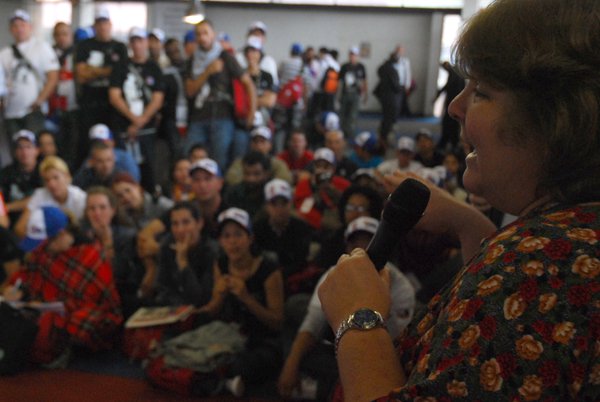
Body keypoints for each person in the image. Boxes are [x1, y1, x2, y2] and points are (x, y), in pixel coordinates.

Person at [318, 0, 600, 400]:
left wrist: (357, 319)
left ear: (557, 119)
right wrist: (469, 225)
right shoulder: (568, 241)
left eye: (482, 91)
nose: (455, 107)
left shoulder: (537, 266)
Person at [278, 216, 415, 401]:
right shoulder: (336, 274)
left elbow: (398, 345)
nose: (363, 252)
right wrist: (290, 365)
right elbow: (313, 323)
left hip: (383, 357)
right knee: (294, 342)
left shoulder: (401, 286)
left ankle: (316, 390)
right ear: (346, 248)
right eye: (355, 246)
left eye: (370, 244)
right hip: (341, 349)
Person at [3, 206, 122, 366]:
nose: (40, 247)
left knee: (79, 322)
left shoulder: (91, 255)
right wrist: (16, 290)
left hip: (83, 310)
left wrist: (49, 306)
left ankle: (63, 348)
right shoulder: (43, 252)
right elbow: (25, 276)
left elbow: (96, 302)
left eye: (44, 242)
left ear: (61, 235)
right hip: (45, 307)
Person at [199, 207, 285, 395]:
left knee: (245, 364)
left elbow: (277, 323)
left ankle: (224, 381)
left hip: (264, 340)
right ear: (220, 241)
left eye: (238, 235)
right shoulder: (221, 264)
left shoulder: (268, 269)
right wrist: (217, 297)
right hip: (233, 335)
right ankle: (226, 382)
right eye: (226, 236)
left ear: (250, 238)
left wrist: (246, 298)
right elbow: (213, 309)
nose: (232, 242)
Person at [184, 19, 257, 169]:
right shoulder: (192, 60)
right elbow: (190, 91)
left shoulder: (225, 57)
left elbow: (248, 83)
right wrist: (208, 71)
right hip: (198, 116)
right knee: (190, 155)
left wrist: (251, 112)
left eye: (205, 33)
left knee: (220, 160)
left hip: (222, 117)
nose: (202, 37)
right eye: (198, 34)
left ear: (213, 35)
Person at [109, 27, 165, 193]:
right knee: (125, 169)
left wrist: (141, 121)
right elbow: (114, 96)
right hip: (124, 127)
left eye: (140, 40)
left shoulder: (154, 68)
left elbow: (158, 99)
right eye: (133, 41)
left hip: (147, 129)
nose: (137, 44)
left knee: (149, 169)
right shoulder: (121, 67)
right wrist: (133, 118)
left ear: (146, 43)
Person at [74, 7, 128, 168]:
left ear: (110, 24)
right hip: (89, 103)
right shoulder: (85, 45)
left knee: (114, 143)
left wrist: (93, 71)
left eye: (105, 23)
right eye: (99, 23)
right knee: (85, 143)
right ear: (94, 26)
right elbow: (81, 75)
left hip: (112, 104)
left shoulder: (119, 47)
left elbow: (121, 72)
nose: (102, 27)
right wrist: (108, 71)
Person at [82, 186, 140, 318]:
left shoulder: (127, 236)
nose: (97, 213)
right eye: (92, 208)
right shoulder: (82, 237)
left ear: (112, 210)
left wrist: (107, 242)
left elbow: (117, 273)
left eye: (102, 208)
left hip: (120, 294)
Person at [0, 9, 59, 138]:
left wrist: (39, 101)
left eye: (22, 25)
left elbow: (53, 77)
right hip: (11, 111)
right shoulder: (4, 53)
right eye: (15, 26)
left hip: (33, 111)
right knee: (16, 150)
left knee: (34, 147)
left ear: (30, 27)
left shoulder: (42, 47)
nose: (19, 29)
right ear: (10, 29)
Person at [154, 201, 218, 307]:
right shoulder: (167, 246)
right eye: (175, 224)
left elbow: (200, 298)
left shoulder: (211, 251)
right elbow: (162, 289)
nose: (180, 230)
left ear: (199, 223)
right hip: (175, 310)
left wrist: (183, 262)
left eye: (186, 222)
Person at [253, 178, 313, 281]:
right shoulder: (258, 228)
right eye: (274, 204)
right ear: (266, 206)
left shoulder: (301, 228)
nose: (279, 208)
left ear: (291, 203)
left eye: (283, 203)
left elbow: (301, 262)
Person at [14, 155, 86, 238]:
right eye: (47, 180)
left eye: (56, 178)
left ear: (67, 177)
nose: (51, 184)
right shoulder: (40, 194)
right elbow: (19, 228)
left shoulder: (80, 198)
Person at [0, 130, 41, 226]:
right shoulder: (6, 173)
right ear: (14, 152)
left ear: (37, 150)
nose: (24, 152)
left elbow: (40, 199)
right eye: (19, 147)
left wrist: (7, 207)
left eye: (28, 147)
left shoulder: (44, 170)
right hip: (11, 219)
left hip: (38, 217)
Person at [434, 61, 465, 153]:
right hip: (453, 103)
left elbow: (447, 87)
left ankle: (452, 144)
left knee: (451, 124)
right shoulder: (455, 73)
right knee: (451, 124)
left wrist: (438, 94)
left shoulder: (454, 73)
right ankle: (450, 143)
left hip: (453, 103)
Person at [338, 46, 367, 139]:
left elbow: (364, 80)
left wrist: (365, 93)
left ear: (357, 56)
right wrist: (338, 94)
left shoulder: (361, 67)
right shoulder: (344, 66)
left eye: (354, 55)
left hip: (356, 94)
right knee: (343, 114)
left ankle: (350, 134)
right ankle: (342, 133)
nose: (352, 57)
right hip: (345, 93)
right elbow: (340, 81)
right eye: (351, 54)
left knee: (353, 115)